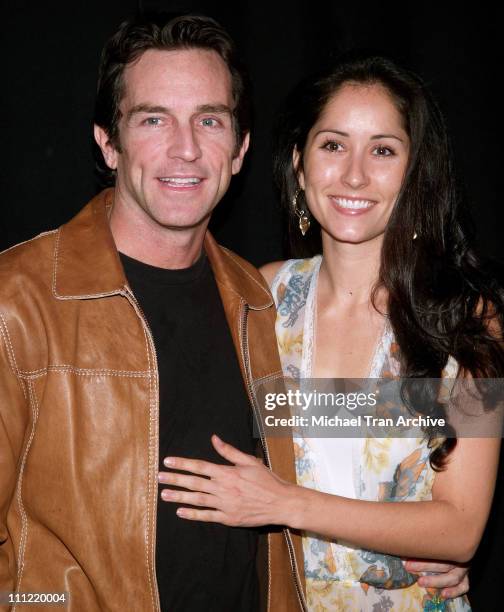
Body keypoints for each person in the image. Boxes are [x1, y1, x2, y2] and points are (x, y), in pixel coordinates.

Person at [157, 54, 503, 610]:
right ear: (299, 164)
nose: (355, 175)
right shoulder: (261, 298)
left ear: (417, 172)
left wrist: (285, 504)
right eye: (334, 145)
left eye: (383, 150)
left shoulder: (469, 319)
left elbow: (461, 528)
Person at [0, 13, 308, 611]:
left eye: (209, 120)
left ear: (241, 149)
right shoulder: (17, 303)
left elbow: (345, 422)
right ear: (107, 142)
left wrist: (414, 534)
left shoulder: (261, 300)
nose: (186, 148)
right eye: (153, 119)